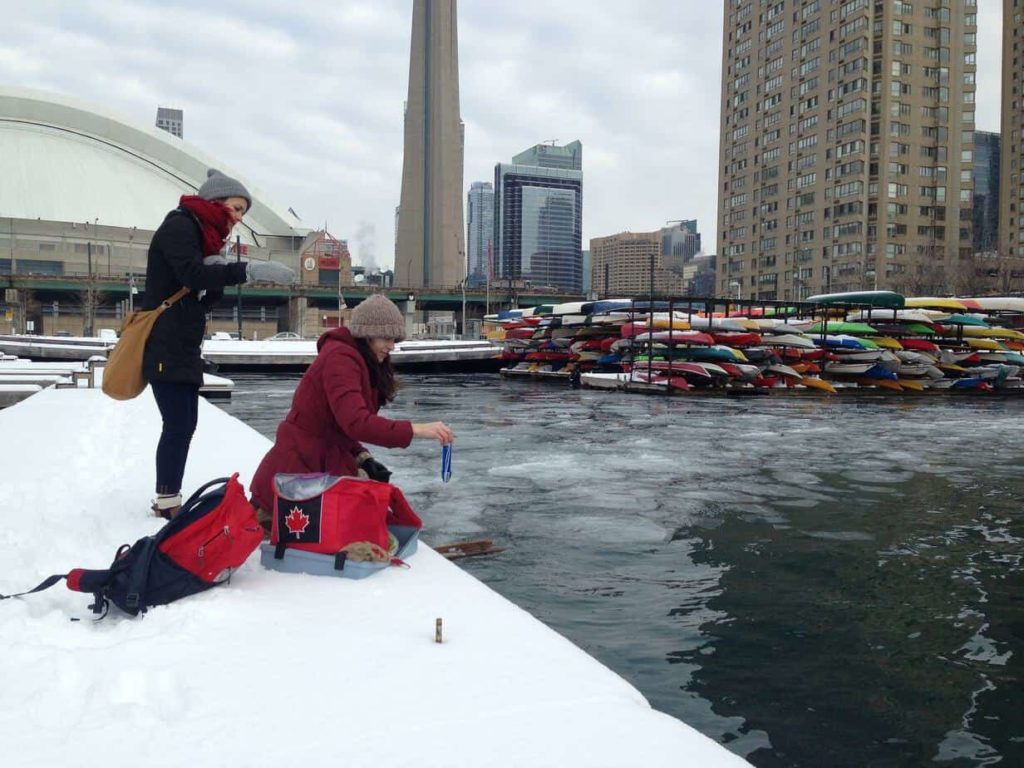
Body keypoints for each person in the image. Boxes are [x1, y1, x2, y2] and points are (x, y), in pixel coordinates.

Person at [144, 169, 295, 518]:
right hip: (166, 343)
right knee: (178, 423)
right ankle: (167, 501)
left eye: (243, 211)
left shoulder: (203, 236)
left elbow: (200, 297)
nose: (239, 218)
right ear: (215, 201)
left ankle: (168, 496)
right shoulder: (181, 226)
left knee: (185, 423)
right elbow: (191, 275)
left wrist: (216, 276)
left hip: (183, 344)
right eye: (236, 208)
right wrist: (245, 271)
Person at [249, 294, 454, 522]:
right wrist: (416, 429)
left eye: (395, 339)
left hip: (315, 470)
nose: (392, 346)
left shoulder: (363, 360)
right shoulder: (340, 359)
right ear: (366, 334)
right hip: (299, 475)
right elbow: (355, 422)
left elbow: (337, 427)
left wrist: (362, 457)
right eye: (386, 338)